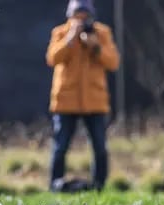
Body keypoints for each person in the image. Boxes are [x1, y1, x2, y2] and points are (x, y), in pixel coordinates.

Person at [45, 0, 120, 192]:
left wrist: (95, 47)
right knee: (60, 146)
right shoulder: (60, 33)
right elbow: (52, 58)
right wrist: (70, 39)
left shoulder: (102, 33)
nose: (81, 20)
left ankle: (99, 186)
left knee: (100, 147)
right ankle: (55, 184)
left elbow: (113, 62)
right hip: (65, 101)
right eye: (77, 16)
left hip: (94, 101)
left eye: (84, 16)